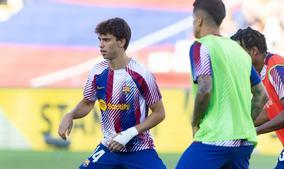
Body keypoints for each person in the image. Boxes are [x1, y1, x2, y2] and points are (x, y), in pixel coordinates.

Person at [58, 17, 166, 169]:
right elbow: (87, 102)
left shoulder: (141, 75)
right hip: (108, 148)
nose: (101, 45)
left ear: (121, 42)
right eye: (100, 40)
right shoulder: (97, 72)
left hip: (139, 150)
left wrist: (128, 134)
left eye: (107, 40)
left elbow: (159, 113)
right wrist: (70, 115)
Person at [176, 0, 267, 169]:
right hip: (244, 143)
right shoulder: (239, 51)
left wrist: (195, 122)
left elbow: (204, 88)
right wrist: (246, 121)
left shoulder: (200, 47)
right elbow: (261, 94)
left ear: (199, 20)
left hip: (216, 138)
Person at [231, 27, 284, 169]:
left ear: (254, 51)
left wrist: (256, 131)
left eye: (239, 53)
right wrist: (238, 125)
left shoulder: (276, 68)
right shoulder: (260, 74)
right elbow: (270, 111)